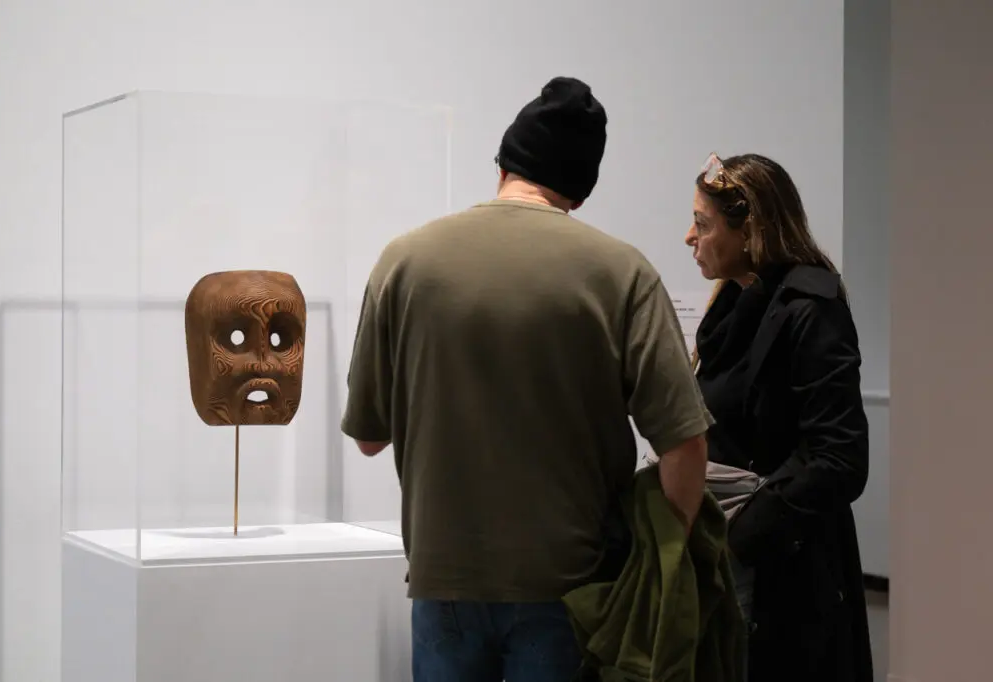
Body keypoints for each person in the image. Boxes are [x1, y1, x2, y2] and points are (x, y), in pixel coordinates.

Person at [341, 76, 713, 682]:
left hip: (445, 581)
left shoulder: (403, 261)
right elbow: (685, 443)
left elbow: (368, 436)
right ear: (581, 190)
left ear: (504, 161)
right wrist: (661, 561)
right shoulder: (621, 272)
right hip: (573, 587)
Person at [685, 152, 873, 682]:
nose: (689, 237)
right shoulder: (732, 308)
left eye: (703, 224)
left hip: (779, 567)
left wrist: (737, 537)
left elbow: (839, 458)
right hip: (734, 556)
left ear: (751, 230)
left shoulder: (811, 308)